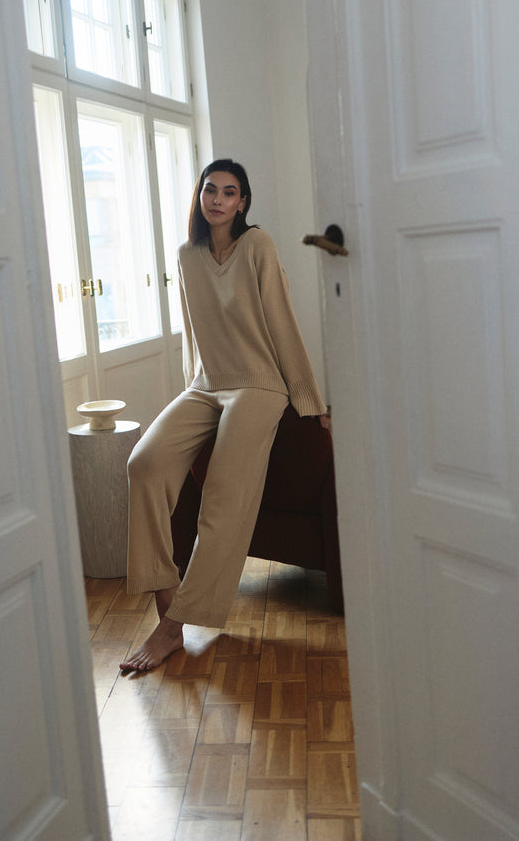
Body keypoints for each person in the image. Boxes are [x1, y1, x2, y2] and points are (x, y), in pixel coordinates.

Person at [120, 158, 328, 672]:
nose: (217, 199)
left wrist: (308, 399)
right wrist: (190, 397)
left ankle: (173, 627)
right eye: (210, 190)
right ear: (201, 196)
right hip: (207, 384)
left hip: (258, 386)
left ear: (242, 203)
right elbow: (195, 334)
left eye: (229, 192)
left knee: (222, 497)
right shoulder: (187, 256)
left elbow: (282, 322)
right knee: (142, 464)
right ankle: (165, 592)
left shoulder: (257, 246)